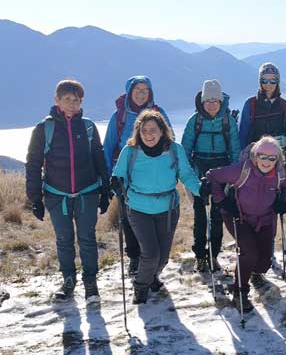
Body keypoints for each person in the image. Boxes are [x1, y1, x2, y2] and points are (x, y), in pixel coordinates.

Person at [25, 79, 110, 304]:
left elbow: (99, 157)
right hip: (56, 195)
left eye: (77, 100)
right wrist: (35, 198)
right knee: (64, 240)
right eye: (67, 99)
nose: (72, 104)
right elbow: (33, 163)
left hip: (87, 192)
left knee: (87, 239)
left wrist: (105, 189)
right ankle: (69, 282)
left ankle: (91, 283)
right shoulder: (45, 129)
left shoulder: (89, 127)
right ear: (57, 100)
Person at [111, 109, 201, 304]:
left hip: (168, 209)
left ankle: (152, 277)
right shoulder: (131, 151)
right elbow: (120, 177)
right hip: (138, 208)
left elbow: (185, 175)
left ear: (162, 130)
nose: (149, 134)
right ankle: (141, 286)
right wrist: (116, 185)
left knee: (162, 258)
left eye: (153, 129)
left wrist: (201, 191)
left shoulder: (175, 149)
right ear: (138, 132)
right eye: (144, 130)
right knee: (151, 254)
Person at [206, 136, 286, 312]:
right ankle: (240, 292)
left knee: (264, 263)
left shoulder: (280, 173)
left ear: (278, 159)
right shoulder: (241, 170)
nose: (267, 161)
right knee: (248, 252)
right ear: (254, 156)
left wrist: (284, 202)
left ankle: (250, 272)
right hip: (238, 216)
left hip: (265, 219)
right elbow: (212, 176)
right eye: (263, 156)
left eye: (272, 158)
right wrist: (223, 201)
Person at [102, 76, 170, 277]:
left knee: (155, 220)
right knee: (129, 219)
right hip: (126, 178)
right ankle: (134, 258)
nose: (141, 94)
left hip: (155, 176)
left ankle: (153, 260)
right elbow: (108, 147)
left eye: (145, 90)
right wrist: (109, 177)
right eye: (137, 90)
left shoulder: (159, 114)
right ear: (129, 92)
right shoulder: (119, 117)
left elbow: (170, 143)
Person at [182, 79, 241, 273]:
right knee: (200, 217)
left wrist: (232, 176)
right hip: (200, 172)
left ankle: (213, 254)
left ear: (221, 101)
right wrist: (193, 178)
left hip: (221, 173)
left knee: (217, 216)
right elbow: (185, 151)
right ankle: (200, 255)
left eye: (215, 100)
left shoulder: (228, 120)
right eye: (208, 101)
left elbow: (235, 149)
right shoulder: (195, 121)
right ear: (202, 100)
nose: (211, 104)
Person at [238, 63, 286, 152]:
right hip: (255, 156)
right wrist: (243, 154)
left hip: (277, 156)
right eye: (264, 80)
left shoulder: (283, 105)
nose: (268, 84)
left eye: (273, 81)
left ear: (277, 82)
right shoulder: (250, 104)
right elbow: (243, 135)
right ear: (260, 81)